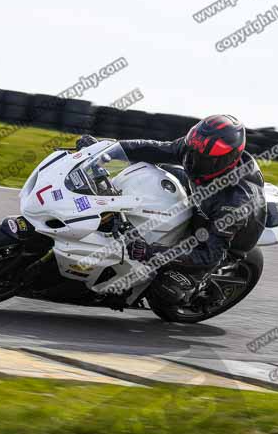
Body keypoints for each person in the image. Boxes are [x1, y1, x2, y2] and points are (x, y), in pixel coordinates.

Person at [76, 114, 266, 306]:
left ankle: (201, 289)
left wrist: (150, 252)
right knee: (152, 171)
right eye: (192, 152)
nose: (192, 161)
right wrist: (103, 150)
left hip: (226, 236)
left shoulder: (235, 202)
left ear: (227, 160)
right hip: (203, 197)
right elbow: (152, 148)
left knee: (169, 288)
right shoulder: (194, 150)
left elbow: (209, 254)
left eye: (203, 159)